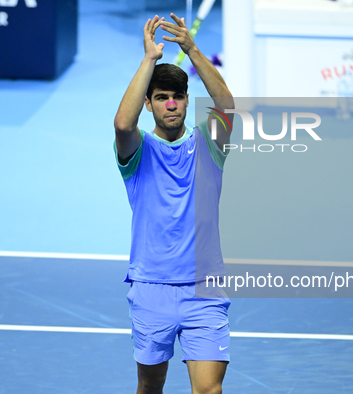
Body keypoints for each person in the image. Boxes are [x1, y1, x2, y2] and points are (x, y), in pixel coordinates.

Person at [113, 13, 234, 394]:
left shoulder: (210, 144)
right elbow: (121, 124)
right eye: (161, 97)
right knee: (150, 386)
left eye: (177, 97)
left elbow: (227, 105)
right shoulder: (138, 151)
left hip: (205, 288)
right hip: (151, 287)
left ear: (186, 101)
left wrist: (191, 49)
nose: (171, 105)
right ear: (149, 104)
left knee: (209, 391)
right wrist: (149, 60)